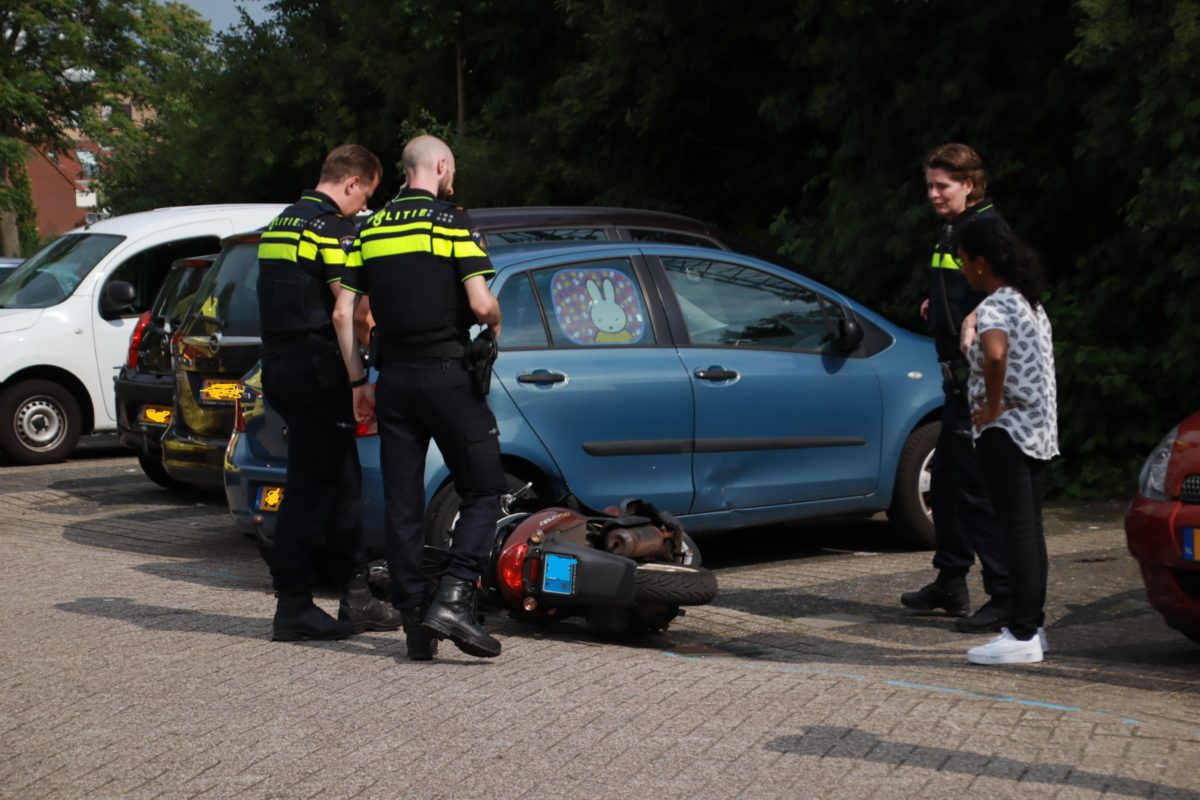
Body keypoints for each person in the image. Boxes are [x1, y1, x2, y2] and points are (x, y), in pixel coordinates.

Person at [332, 134, 506, 660]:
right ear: (441, 166)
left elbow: (348, 315)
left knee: (403, 503)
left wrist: (359, 382)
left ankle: (415, 624)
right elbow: (479, 305)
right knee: (483, 489)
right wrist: (497, 322)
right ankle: (454, 596)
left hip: (395, 384)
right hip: (448, 378)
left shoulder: (369, 228)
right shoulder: (453, 222)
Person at [257, 144, 402, 642]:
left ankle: (356, 596)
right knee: (310, 488)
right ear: (352, 183)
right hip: (318, 369)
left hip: (277, 366)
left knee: (344, 482)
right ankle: (293, 605)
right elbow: (353, 312)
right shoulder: (332, 229)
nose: (364, 207)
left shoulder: (279, 224)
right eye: (366, 195)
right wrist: (365, 375)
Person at [900, 143, 1011, 633]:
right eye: (930, 185)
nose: (934, 194)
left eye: (943, 185)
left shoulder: (986, 228)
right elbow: (965, 284)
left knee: (975, 486)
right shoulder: (956, 229)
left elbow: (1009, 294)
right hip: (953, 378)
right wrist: (939, 302)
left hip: (977, 383)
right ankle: (950, 581)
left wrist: (975, 315)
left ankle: (1004, 595)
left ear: (970, 184)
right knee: (945, 479)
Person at [957, 214, 1058, 664]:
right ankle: (1031, 628)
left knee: (1014, 531)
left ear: (980, 262)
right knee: (1030, 531)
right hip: (1037, 429)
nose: (961, 269)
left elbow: (995, 354)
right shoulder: (1029, 302)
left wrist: (993, 405)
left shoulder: (996, 304)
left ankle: (1020, 634)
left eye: (962, 261)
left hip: (1006, 431)